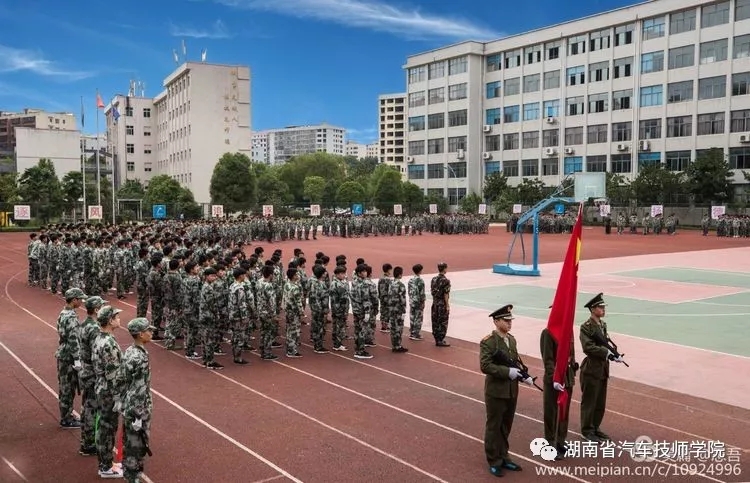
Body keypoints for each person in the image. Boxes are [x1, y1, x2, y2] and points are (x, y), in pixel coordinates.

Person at [479, 304, 533, 477]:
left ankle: (504, 456)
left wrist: (523, 375)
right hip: (496, 390)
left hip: (511, 390)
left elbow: (514, 362)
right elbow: (485, 365)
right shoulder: (489, 341)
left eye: (510, 320)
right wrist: (507, 372)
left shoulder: (512, 339)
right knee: (494, 425)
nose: (509, 323)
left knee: (506, 425)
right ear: (496, 321)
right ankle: (494, 459)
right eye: (506, 320)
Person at [579, 292, 620, 442]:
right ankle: (587, 430)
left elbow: (605, 343)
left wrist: (614, 354)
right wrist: (606, 353)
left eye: (603, 307)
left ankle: (595, 427)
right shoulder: (586, 327)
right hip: (591, 368)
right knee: (589, 402)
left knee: (600, 402)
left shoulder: (602, 325)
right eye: (600, 307)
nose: (603, 309)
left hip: (602, 368)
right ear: (592, 309)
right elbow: (588, 347)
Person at [540, 307, 578, 459]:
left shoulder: (569, 331)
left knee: (564, 412)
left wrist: (573, 367)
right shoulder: (548, 333)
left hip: (567, 377)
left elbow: (571, 354)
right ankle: (550, 443)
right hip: (554, 380)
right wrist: (554, 378)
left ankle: (561, 440)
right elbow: (548, 360)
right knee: (552, 412)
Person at [121, 318, 155, 483]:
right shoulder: (140, 357)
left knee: (130, 442)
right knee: (136, 444)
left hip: (129, 402)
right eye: (148, 330)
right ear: (141, 334)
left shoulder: (130, 351)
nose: (151, 333)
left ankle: (131, 474)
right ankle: (133, 477)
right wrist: (138, 414)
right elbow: (139, 389)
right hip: (137, 407)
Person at [92, 305, 125, 478]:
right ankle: (105, 467)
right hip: (108, 392)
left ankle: (106, 462)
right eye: (116, 317)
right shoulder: (109, 343)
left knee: (105, 427)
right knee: (107, 428)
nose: (119, 319)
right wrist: (119, 396)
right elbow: (113, 374)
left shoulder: (99, 338)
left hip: (101, 387)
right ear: (110, 320)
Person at [78, 295, 107, 456]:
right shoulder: (94, 328)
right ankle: (88, 443)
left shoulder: (85, 324)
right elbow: (97, 353)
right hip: (92, 372)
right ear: (96, 309)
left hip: (85, 369)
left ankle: (87, 440)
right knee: (91, 408)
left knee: (88, 406)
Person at [55, 287, 86, 429]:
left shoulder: (63, 313)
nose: (82, 301)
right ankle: (66, 419)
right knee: (68, 388)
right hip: (69, 357)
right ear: (74, 300)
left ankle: (66, 413)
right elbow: (73, 339)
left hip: (63, 353)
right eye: (80, 299)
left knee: (65, 387)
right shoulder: (71, 317)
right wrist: (77, 359)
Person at [430, 262, 451, 347]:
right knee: (443, 322)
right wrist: (447, 305)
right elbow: (446, 294)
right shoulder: (446, 281)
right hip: (442, 303)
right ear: (445, 269)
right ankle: (440, 339)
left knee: (435, 320)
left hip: (435, 303)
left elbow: (432, 291)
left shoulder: (433, 279)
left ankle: (436, 338)